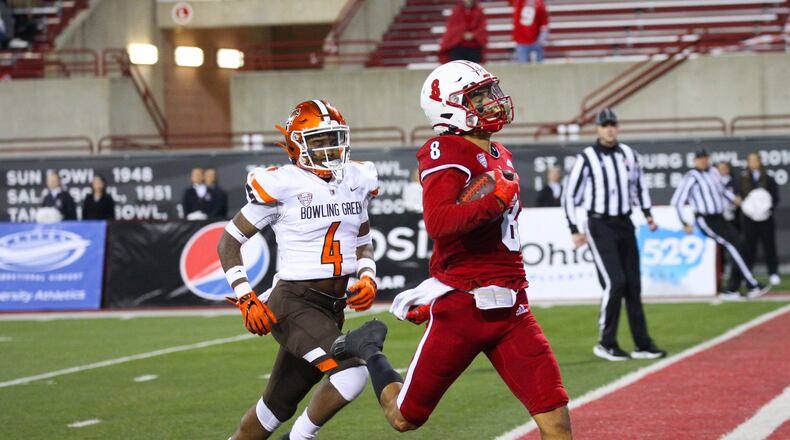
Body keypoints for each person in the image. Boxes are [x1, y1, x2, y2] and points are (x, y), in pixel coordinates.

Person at [331, 61, 572, 439]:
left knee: (556, 424)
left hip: (512, 307)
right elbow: (440, 223)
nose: (492, 102)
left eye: (490, 92)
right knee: (405, 419)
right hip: (464, 307)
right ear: (449, 106)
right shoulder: (445, 149)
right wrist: (494, 201)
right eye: (478, 96)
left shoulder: (499, 153)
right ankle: (369, 350)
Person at [217, 99, 380, 440]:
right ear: (295, 145)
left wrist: (368, 274)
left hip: (331, 309)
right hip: (293, 304)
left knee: (272, 411)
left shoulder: (356, 178)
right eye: (319, 142)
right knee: (352, 376)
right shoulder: (283, 184)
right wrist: (246, 296)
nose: (330, 148)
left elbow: (362, 238)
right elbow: (229, 241)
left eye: (334, 138)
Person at [562, 108, 666, 362]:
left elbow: (639, 186)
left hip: (625, 223)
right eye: (605, 125)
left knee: (633, 284)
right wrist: (574, 229)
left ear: (617, 127)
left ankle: (642, 343)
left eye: (613, 124)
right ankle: (606, 343)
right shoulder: (587, 157)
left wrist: (648, 214)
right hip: (600, 225)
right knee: (615, 282)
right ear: (597, 129)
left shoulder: (628, 154)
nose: (609, 128)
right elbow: (569, 196)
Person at [671, 149, 769, 299]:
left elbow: (721, 190)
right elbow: (677, 201)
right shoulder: (691, 177)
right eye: (699, 158)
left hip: (719, 217)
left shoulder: (713, 172)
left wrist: (733, 199)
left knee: (740, 245)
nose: (702, 161)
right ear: (694, 161)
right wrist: (684, 222)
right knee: (732, 245)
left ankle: (732, 288)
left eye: (704, 157)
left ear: (708, 158)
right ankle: (751, 283)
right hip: (705, 218)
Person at [739, 152, 780, 286]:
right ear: (748, 162)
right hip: (749, 219)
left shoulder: (768, 178)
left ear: (760, 161)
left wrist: (766, 210)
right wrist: (748, 209)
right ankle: (748, 273)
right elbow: (739, 197)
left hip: (766, 219)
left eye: (755, 160)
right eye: (751, 160)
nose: (753, 163)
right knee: (749, 246)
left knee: (769, 246)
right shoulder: (743, 178)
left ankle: (773, 273)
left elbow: (775, 198)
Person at [715, 161, 740, 278]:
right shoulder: (713, 182)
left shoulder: (735, 182)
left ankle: (736, 271)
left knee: (735, 245)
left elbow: (738, 198)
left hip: (732, 219)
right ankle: (721, 271)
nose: (723, 170)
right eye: (720, 168)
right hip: (718, 219)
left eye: (725, 168)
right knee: (720, 248)